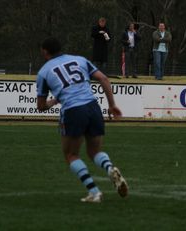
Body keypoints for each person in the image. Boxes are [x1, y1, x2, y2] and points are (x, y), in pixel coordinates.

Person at [36, 37, 128, 203]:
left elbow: (41, 106)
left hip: (72, 110)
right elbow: (104, 79)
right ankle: (110, 168)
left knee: (71, 154)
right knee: (94, 152)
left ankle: (94, 192)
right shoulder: (79, 59)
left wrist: (54, 101)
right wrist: (112, 105)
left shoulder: (43, 72)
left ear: (44, 52)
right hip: (93, 107)